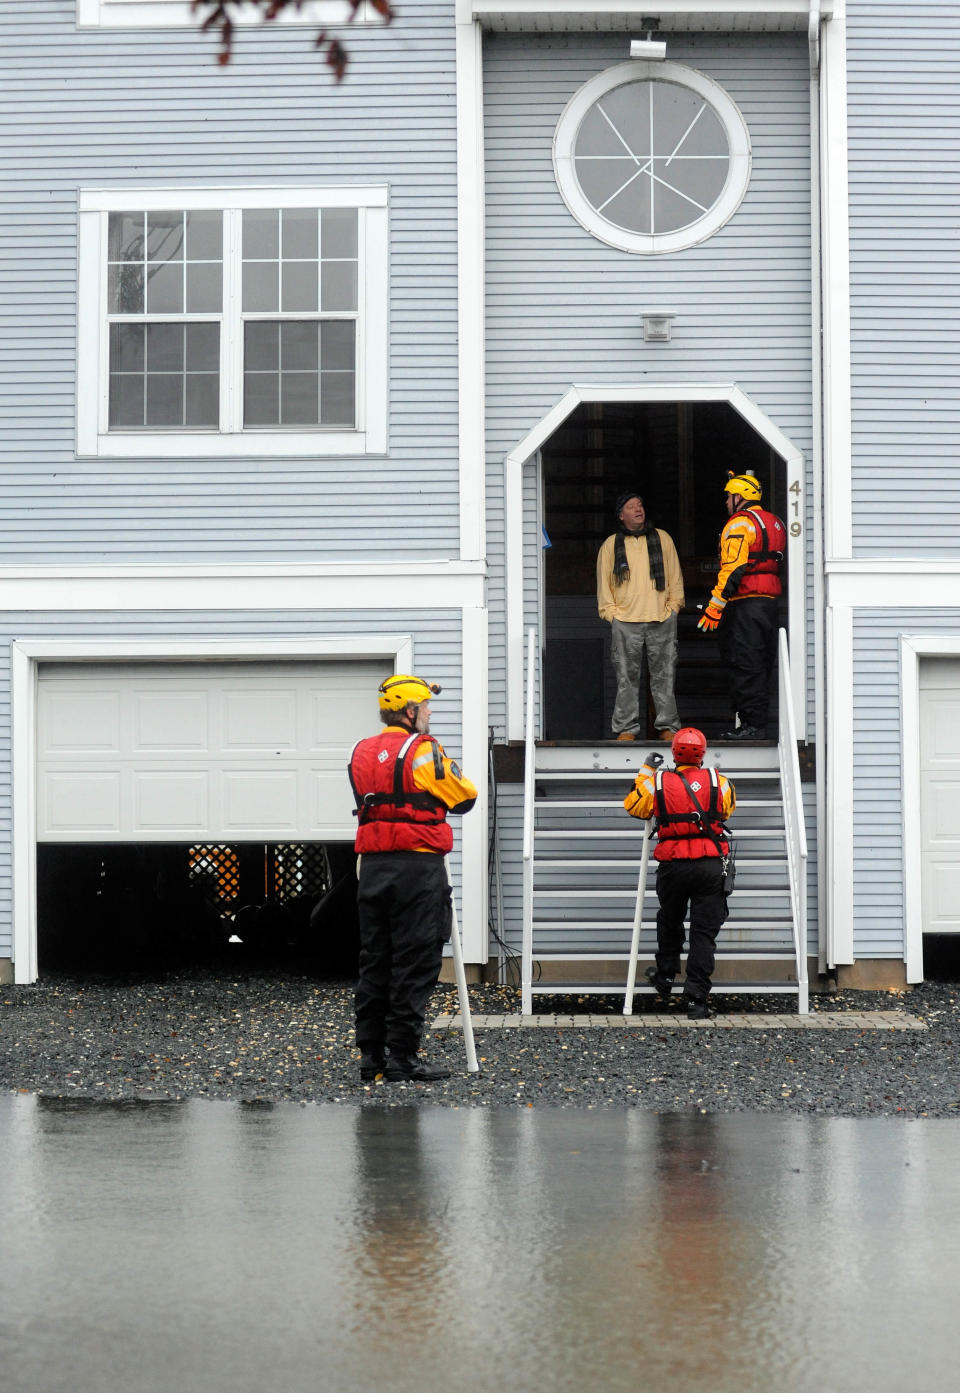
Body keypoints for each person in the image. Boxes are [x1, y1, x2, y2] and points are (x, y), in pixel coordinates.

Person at [348, 675, 477, 1082]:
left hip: (372, 867)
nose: (429, 713)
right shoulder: (424, 751)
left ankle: (371, 1058)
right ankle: (403, 1057)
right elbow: (465, 797)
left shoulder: (361, 751)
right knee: (415, 960)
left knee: (376, 959)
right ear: (409, 711)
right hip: (416, 867)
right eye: (425, 707)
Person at [623, 726, 736, 1018]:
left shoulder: (658, 782)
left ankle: (666, 975)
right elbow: (727, 810)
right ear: (703, 753)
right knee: (703, 934)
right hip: (710, 866)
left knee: (670, 920)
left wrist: (646, 771)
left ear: (674, 752)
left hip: (673, 866)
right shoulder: (719, 782)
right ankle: (696, 1000)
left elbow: (633, 806)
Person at [696, 471, 787, 740]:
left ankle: (752, 726)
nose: (726, 501)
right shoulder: (776, 522)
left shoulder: (739, 525)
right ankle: (755, 723)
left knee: (745, 664)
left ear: (740, 497)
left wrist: (714, 607)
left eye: (728, 496)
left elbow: (733, 569)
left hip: (745, 605)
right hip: (769, 604)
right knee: (760, 664)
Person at [596, 491, 685, 742]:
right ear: (621, 515)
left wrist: (674, 608)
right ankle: (626, 729)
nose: (638, 509)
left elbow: (675, 576)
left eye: (640, 505)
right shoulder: (611, 545)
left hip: (661, 618)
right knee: (626, 679)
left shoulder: (662, 539)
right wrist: (611, 614)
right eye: (631, 506)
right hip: (625, 621)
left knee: (665, 676)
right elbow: (604, 586)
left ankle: (668, 727)